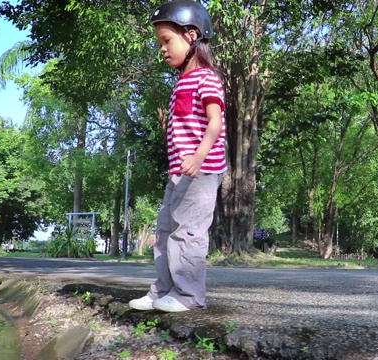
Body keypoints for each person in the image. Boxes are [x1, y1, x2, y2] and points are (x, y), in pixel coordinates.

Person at [129, 0, 226, 313]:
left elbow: (215, 122)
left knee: (189, 231)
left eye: (167, 41)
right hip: (179, 173)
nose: (163, 49)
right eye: (160, 43)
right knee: (165, 229)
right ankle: (163, 290)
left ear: (192, 35)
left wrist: (198, 156)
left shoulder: (207, 78)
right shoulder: (182, 81)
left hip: (201, 171)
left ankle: (189, 296)